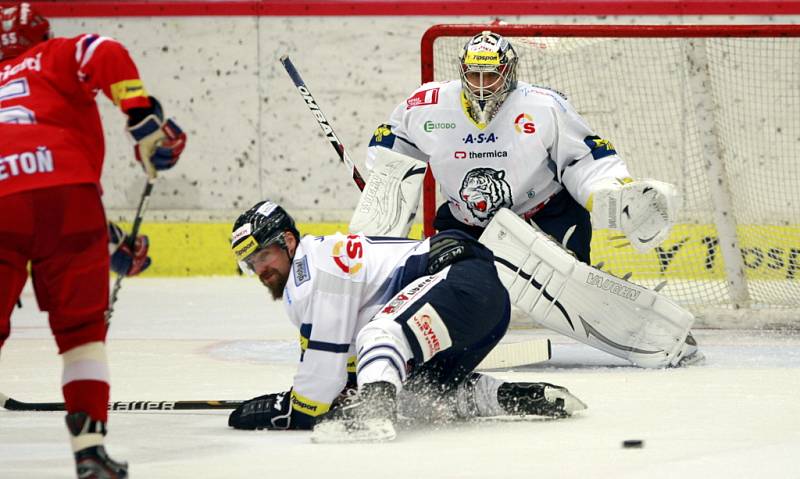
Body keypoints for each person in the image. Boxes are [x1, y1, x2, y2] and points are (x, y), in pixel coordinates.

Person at [368, 30, 701, 367]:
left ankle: (657, 336)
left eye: (491, 76)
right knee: (449, 287)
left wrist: (610, 194)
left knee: (568, 288)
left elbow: (581, 157)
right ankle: (419, 346)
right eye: (474, 75)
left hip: (546, 213)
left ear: (509, 73)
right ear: (461, 72)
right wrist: (385, 188)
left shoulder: (542, 105)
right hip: (466, 220)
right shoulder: (426, 106)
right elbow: (396, 147)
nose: (482, 85)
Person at [0, 3, 186, 478]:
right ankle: (89, 453)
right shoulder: (54, 55)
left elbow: (20, 191)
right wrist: (142, 119)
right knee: (82, 337)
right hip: (69, 195)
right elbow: (105, 51)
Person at [226, 200, 585, 442]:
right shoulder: (308, 276)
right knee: (416, 397)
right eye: (251, 262)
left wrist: (290, 408)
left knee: (380, 336)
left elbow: (322, 377)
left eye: (264, 254)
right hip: (480, 313)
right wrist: (330, 393)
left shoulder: (314, 269)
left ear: (289, 241)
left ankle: (373, 414)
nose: (260, 269)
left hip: (460, 278)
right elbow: (342, 369)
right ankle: (513, 398)